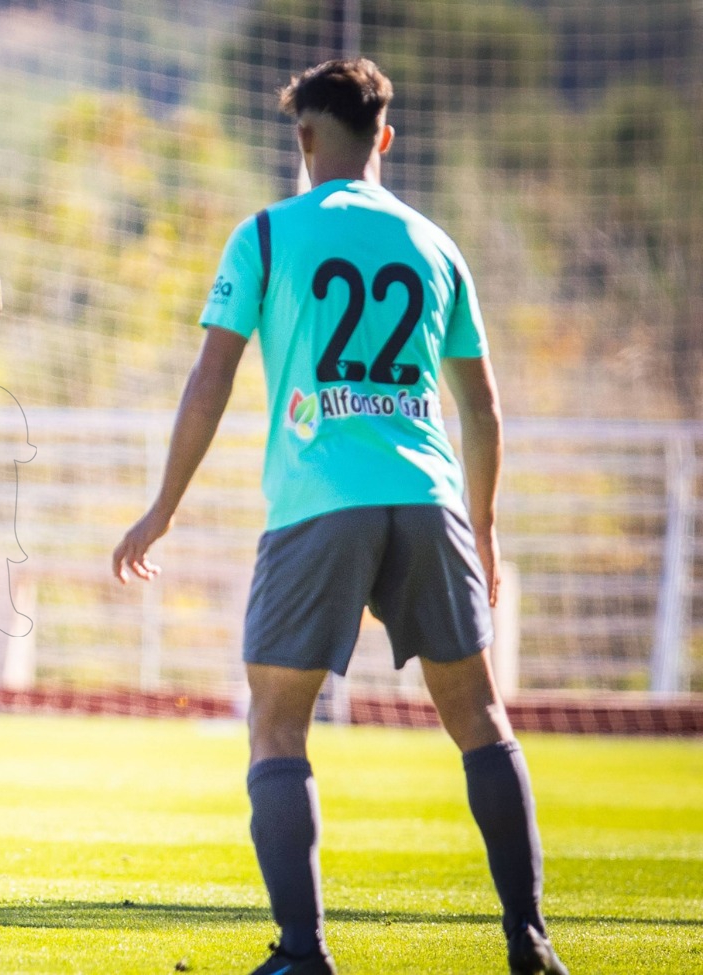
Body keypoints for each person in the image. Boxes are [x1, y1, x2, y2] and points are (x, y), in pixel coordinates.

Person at [111, 60, 568, 975]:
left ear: (305, 140)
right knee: (482, 717)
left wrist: (162, 507)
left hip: (322, 504)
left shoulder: (269, 235)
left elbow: (212, 379)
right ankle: (531, 942)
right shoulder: (436, 246)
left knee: (278, 726)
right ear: (384, 139)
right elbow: (481, 408)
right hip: (428, 498)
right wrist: (484, 527)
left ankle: (305, 954)